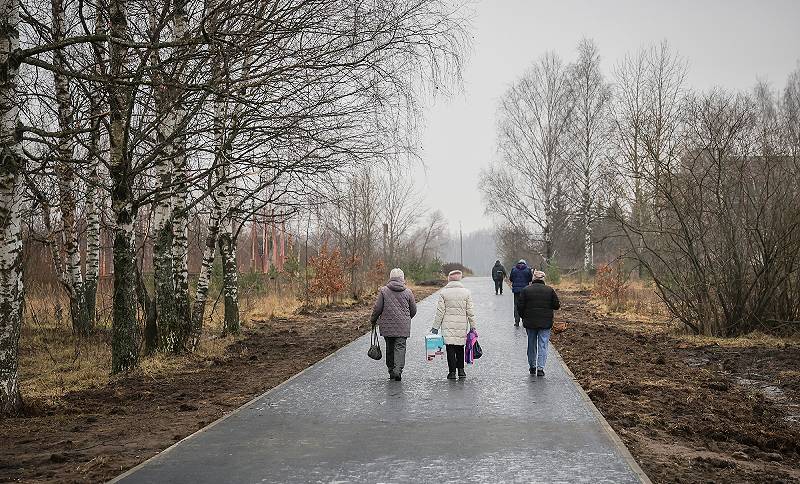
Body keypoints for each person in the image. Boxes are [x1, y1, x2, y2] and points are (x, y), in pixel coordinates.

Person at [370, 268, 417, 381]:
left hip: (387, 326)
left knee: (390, 348)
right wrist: (406, 319)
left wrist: (373, 319)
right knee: (400, 347)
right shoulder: (408, 292)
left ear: (390, 277)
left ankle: (391, 370)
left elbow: (377, 308)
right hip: (403, 326)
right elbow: (413, 310)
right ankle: (398, 370)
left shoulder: (384, 291)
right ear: (402, 278)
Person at [431, 270, 476, 380]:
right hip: (461, 325)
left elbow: (440, 312)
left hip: (447, 325)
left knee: (450, 348)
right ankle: (461, 371)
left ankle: (451, 372)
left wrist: (435, 327)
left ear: (449, 279)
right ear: (460, 279)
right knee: (460, 347)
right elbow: (470, 311)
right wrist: (473, 326)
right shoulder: (466, 293)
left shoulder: (443, 293)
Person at [516, 269, 560, 377]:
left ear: (533, 278)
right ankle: (540, 368)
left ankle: (532, 366)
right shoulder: (549, 290)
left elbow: (520, 307)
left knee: (531, 344)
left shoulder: (526, 290)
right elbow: (556, 305)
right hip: (545, 323)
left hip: (530, 322)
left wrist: (524, 317)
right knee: (543, 345)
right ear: (543, 279)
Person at [509, 259, 533, 326]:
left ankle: (517, 321)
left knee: (516, 305)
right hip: (525, 291)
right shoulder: (528, 269)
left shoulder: (514, 269)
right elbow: (530, 279)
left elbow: (511, 279)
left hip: (516, 291)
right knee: (525, 305)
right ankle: (524, 320)